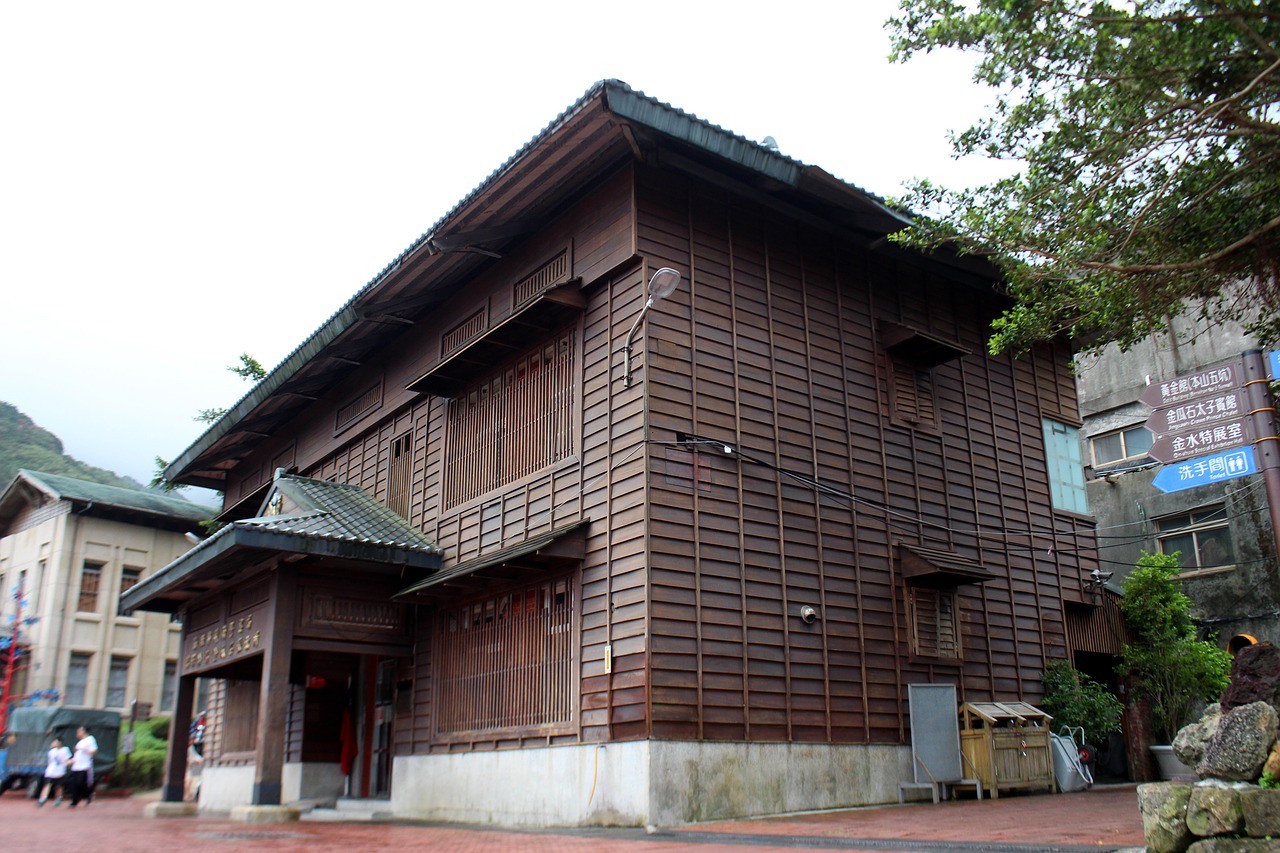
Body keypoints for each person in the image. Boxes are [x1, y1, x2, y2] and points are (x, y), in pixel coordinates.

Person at [67, 725, 98, 808]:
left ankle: (89, 795)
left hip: (85, 766)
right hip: (76, 766)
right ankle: (74, 801)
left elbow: (94, 751)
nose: (77, 733)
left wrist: (84, 750)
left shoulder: (90, 739)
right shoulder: (79, 742)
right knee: (73, 784)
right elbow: (77, 755)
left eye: (79, 731)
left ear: (84, 731)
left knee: (81, 783)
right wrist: (70, 761)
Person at [36, 736, 71, 806]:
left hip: (60, 772)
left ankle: (59, 798)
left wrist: (70, 762)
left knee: (58, 786)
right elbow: (50, 762)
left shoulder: (65, 750)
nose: (53, 743)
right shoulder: (51, 752)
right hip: (51, 772)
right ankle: (43, 798)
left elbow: (67, 760)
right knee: (47, 784)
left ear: (59, 743)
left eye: (55, 742)